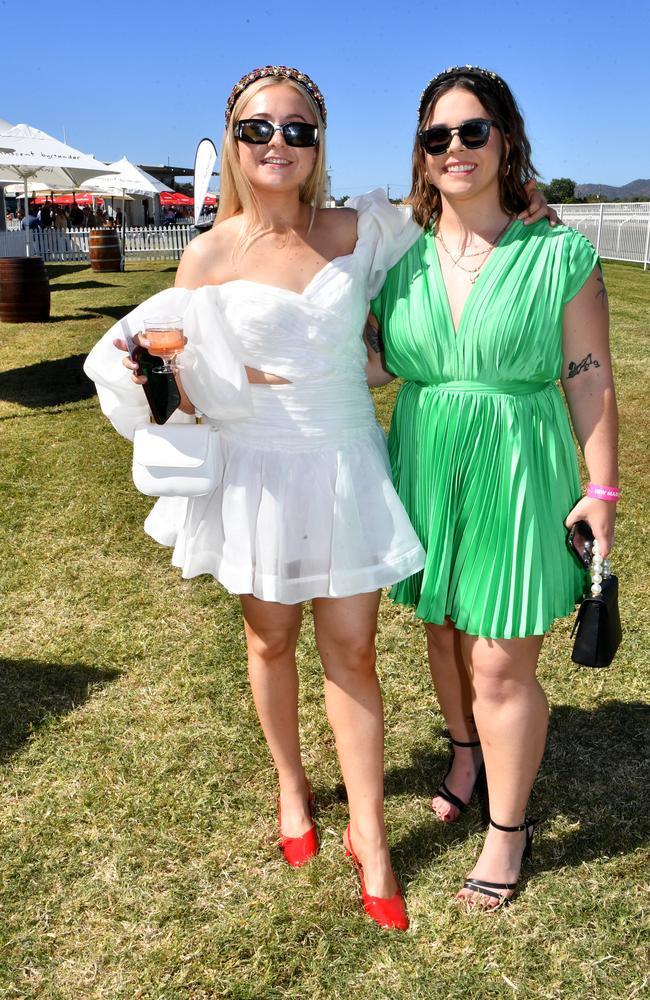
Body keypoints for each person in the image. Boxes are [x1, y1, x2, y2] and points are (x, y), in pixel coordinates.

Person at [84, 65, 553, 931]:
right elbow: (175, 380)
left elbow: (462, 227)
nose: (278, 146)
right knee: (270, 642)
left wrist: (528, 207)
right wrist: (160, 376)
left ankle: (369, 835)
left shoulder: (362, 229)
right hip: (255, 468)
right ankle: (293, 788)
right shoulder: (206, 254)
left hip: (343, 461)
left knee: (354, 652)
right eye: (260, 130)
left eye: (298, 130)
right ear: (234, 139)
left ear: (318, 142)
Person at [370, 66, 618, 908]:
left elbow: (589, 378)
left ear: (505, 139)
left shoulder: (559, 252)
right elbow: (366, 358)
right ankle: (465, 753)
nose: (455, 149)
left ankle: (508, 831)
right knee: (442, 631)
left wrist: (603, 490)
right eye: (438, 136)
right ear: (422, 152)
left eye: (473, 131)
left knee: (500, 655)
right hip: (427, 454)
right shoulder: (395, 250)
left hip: (518, 459)